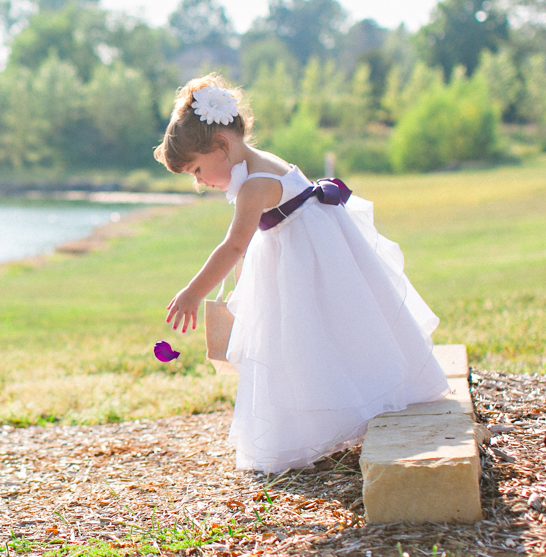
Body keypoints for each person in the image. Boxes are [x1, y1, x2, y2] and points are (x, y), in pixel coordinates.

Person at [155, 74, 450, 474]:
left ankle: (325, 421)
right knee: (330, 334)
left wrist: (193, 292)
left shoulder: (254, 185)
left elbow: (234, 245)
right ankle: (345, 407)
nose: (200, 183)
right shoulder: (262, 163)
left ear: (222, 145)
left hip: (306, 264)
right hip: (316, 252)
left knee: (305, 341)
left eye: (197, 169)